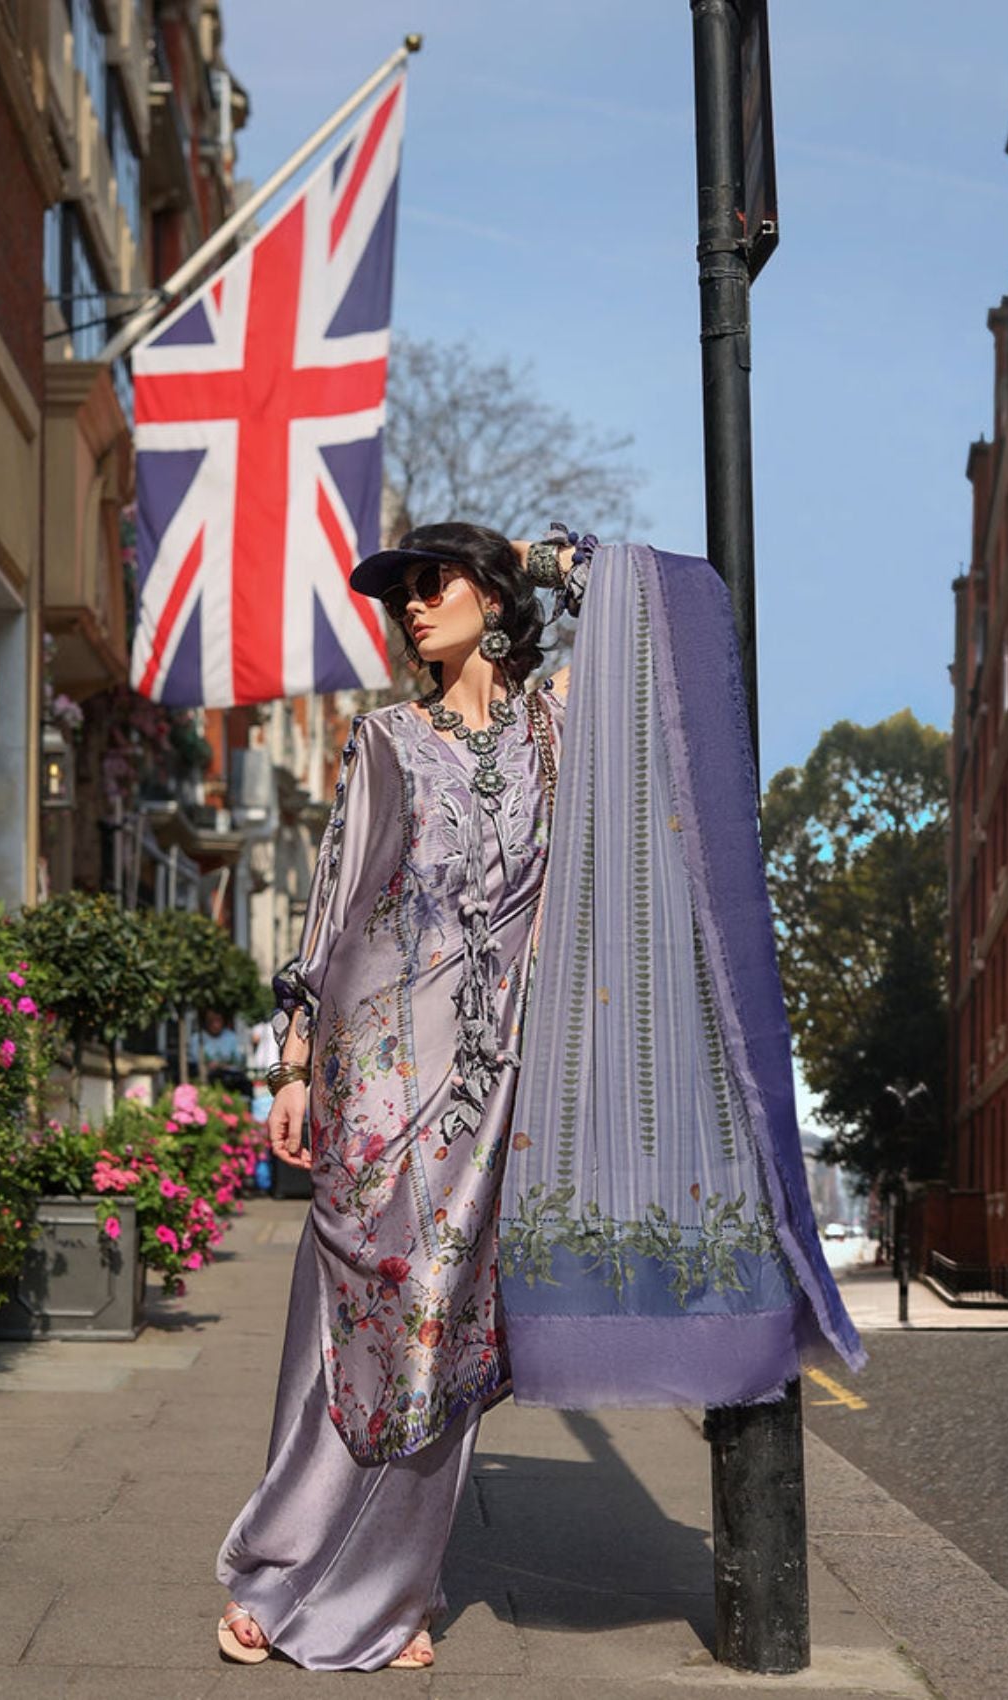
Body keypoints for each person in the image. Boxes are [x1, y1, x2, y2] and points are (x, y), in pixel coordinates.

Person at [215, 521, 587, 1671]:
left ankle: (392, 1587)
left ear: (495, 596)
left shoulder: (560, 728)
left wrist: (537, 557)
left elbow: (647, 617)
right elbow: (334, 903)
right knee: (357, 1302)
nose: (414, 604)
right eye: (403, 593)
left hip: (492, 1077)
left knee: (446, 1315)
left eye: (437, 581)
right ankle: (279, 1563)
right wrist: (290, 1062)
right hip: (375, 1065)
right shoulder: (386, 738)